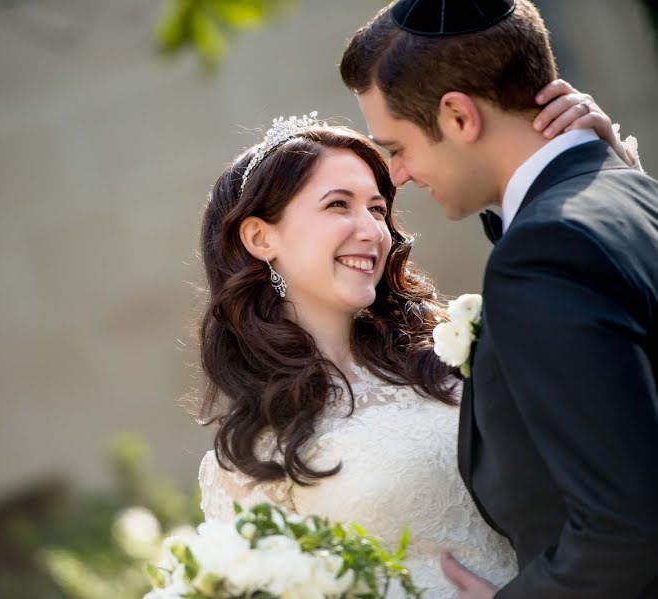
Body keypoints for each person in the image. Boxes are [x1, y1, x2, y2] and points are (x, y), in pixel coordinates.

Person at [196, 95, 638, 598]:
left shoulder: (459, 349)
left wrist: (608, 177)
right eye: (338, 204)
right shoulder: (250, 456)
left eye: (378, 209)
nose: (373, 231)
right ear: (259, 237)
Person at [339, 0, 658, 597]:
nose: (399, 175)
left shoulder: (545, 255)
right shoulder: (636, 193)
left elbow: (627, 528)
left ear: (459, 116)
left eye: (398, 146)